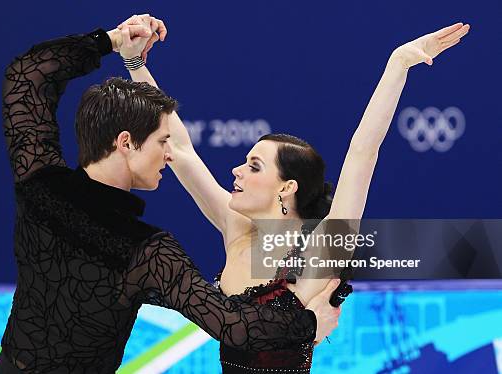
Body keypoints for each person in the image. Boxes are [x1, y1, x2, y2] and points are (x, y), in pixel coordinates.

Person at [0, 14, 344, 374]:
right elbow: (235, 327)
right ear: (126, 142)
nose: (168, 153)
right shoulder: (148, 252)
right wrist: (308, 322)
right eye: (161, 142)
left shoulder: (38, 181)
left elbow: (26, 75)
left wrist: (112, 41)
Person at [121, 15, 470, 373]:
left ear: (287, 188)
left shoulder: (318, 252)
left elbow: (363, 153)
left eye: (254, 166)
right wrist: (135, 62)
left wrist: (398, 64)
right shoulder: (237, 228)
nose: (236, 172)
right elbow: (179, 148)